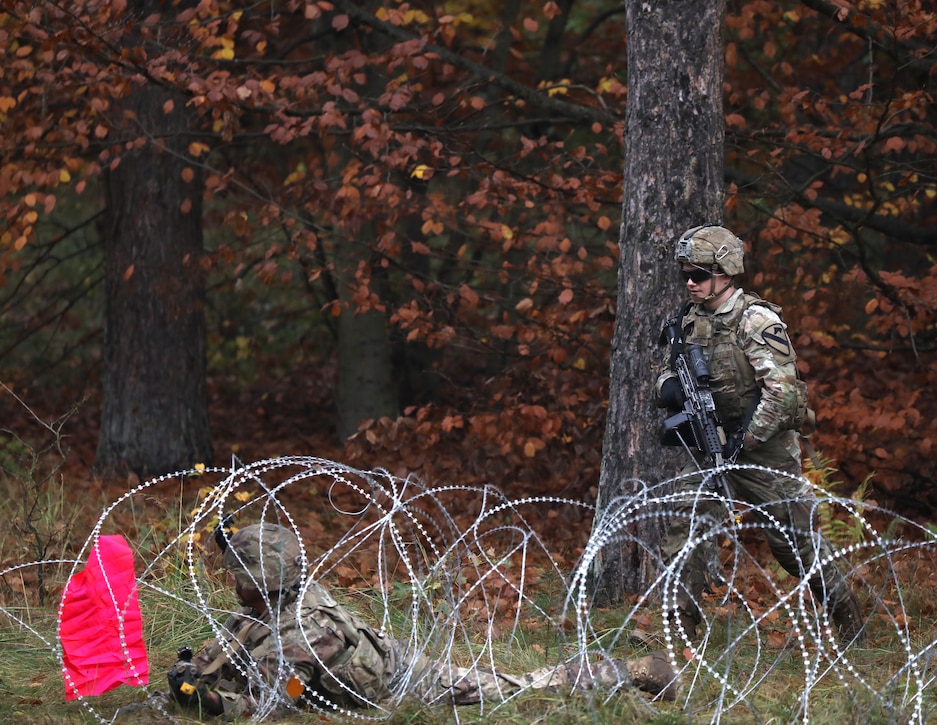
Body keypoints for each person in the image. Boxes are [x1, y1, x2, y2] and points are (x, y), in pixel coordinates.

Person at [166, 523, 678, 719]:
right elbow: (239, 636)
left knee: (515, 688)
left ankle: (638, 670)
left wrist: (213, 703)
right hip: (369, 667)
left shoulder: (304, 630)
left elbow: (277, 704)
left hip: (404, 684)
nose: (230, 579)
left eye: (239, 572)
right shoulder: (271, 601)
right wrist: (197, 671)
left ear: (262, 580)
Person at [651, 224, 864, 645]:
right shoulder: (687, 320)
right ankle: (677, 632)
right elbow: (666, 372)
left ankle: (846, 614)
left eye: (698, 275)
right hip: (709, 442)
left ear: (725, 273)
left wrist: (743, 442)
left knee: (792, 544)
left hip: (763, 447)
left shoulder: (755, 319)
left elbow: (783, 395)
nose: (689, 284)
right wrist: (669, 389)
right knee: (686, 524)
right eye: (684, 276)